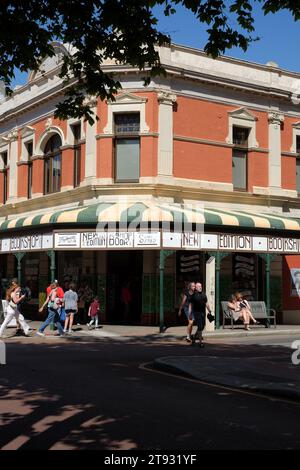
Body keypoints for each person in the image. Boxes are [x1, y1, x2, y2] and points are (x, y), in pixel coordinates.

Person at [189, 282, 212, 348]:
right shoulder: (193, 295)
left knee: (202, 327)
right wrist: (190, 313)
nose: (200, 287)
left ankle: (194, 337)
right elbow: (190, 304)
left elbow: (206, 303)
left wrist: (209, 310)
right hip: (196, 313)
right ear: (196, 288)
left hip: (203, 312)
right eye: (199, 286)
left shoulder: (204, 295)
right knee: (200, 326)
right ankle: (200, 342)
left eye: (201, 286)